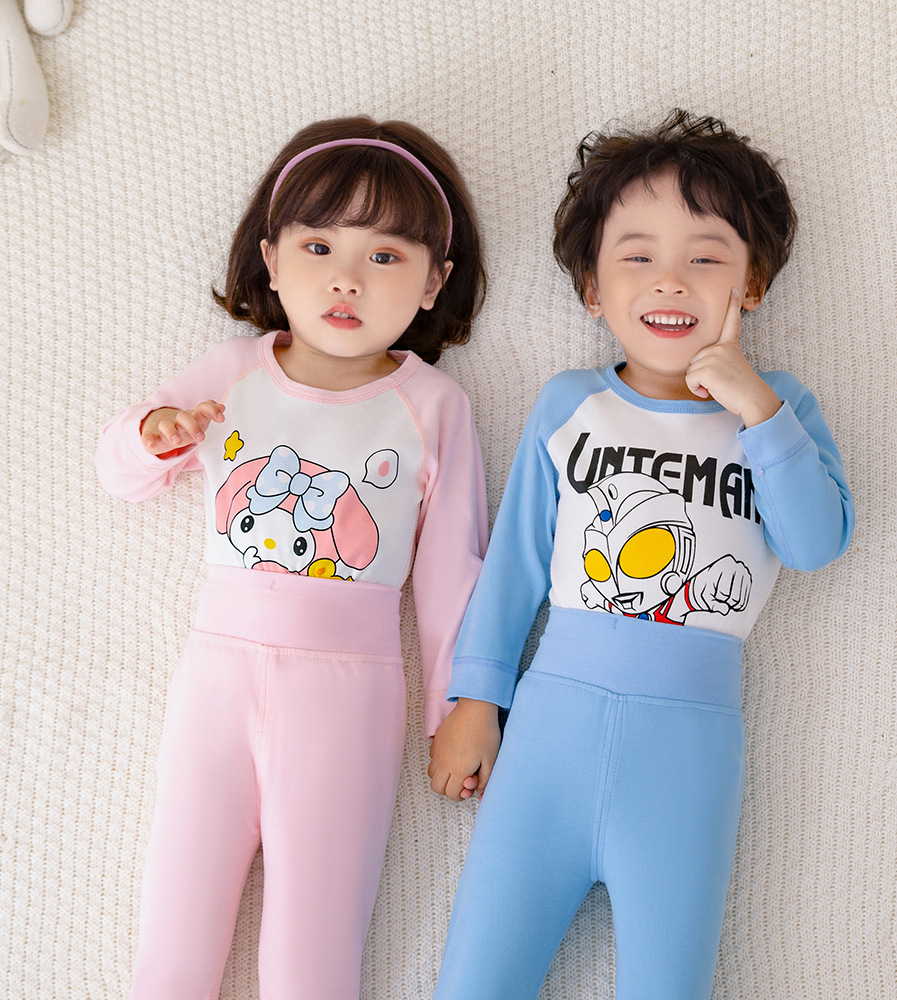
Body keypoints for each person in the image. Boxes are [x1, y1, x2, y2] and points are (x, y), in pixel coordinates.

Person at [428, 109, 854, 1000]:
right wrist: (476, 699)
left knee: (669, 982)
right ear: (593, 288)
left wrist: (756, 407)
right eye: (638, 256)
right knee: (476, 979)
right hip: (549, 728)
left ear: (752, 283)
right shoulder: (569, 405)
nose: (671, 279)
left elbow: (815, 544)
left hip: (687, 748)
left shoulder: (781, 409)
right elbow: (514, 565)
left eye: (706, 257)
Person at [96, 116, 488, 1000]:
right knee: (174, 939)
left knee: (312, 955)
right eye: (319, 247)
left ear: (434, 282)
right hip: (216, 679)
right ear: (272, 261)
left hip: (348, 695)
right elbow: (119, 473)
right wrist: (153, 435)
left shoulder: (433, 405)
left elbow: (452, 573)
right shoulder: (229, 371)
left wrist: (460, 709)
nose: (347, 277)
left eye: (385, 256)